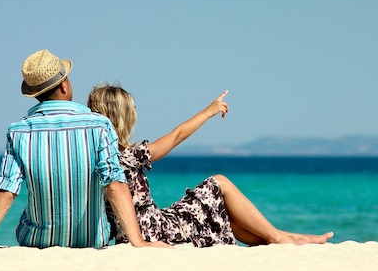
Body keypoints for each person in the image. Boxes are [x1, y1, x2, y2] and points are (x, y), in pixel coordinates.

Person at [0, 50, 168, 249]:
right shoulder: (98, 125)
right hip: (92, 240)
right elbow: (114, 186)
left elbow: (6, 191)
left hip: (37, 241)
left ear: (34, 93)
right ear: (64, 84)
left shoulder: (19, 131)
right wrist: (139, 242)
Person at [87, 83, 334, 246]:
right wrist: (210, 110)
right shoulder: (128, 156)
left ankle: (280, 238)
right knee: (220, 183)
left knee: (225, 217)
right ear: (124, 118)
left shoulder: (94, 159)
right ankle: (280, 237)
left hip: (144, 229)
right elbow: (177, 135)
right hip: (156, 231)